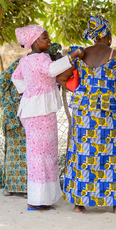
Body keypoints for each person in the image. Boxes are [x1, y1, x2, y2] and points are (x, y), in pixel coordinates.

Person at [57, 15, 116, 215]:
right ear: (108, 35)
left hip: (83, 111)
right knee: (109, 153)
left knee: (82, 153)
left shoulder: (79, 54)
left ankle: (79, 204)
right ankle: (115, 205)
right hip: (106, 112)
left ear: (92, 35)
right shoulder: (115, 55)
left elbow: (61, 77)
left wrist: (82, 91)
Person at [11, 25, 84, 211]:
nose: (48, 41)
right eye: (45, 38)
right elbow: (52, 70)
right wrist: (73, 56)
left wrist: (25, 92)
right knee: (43, 155)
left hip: (30, 110)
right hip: (40, 112)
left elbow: (15, 78)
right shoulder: (41, 58)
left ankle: (40, 198)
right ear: (35, 41)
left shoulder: (24, 60)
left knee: (39, 154)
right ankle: (37, 200)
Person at [0, 43, 62, 198]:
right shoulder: (22, 63)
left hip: (34, 113)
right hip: (17, 112)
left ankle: (27, 189)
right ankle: (12, 186)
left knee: (30, 152)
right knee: (15, 151)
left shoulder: (44, 68)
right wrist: (11, 104)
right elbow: (0, 86)